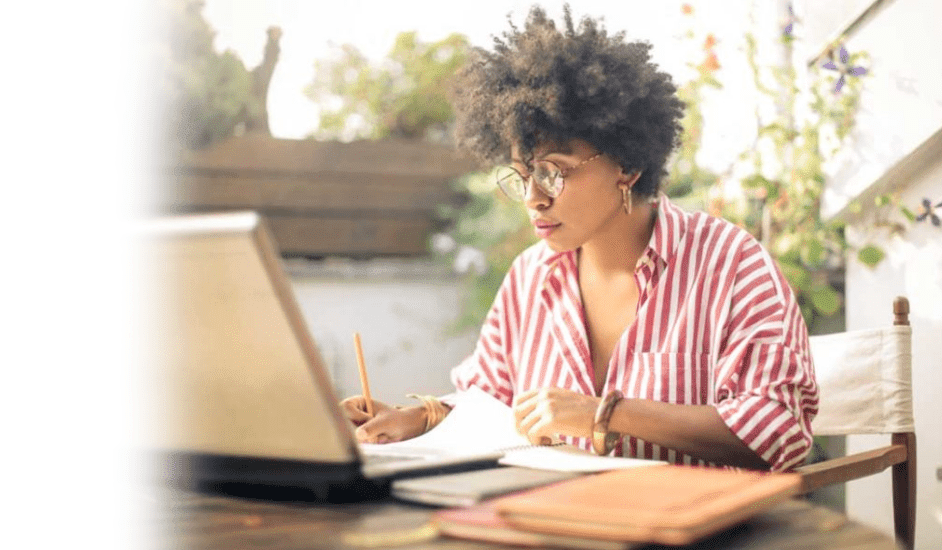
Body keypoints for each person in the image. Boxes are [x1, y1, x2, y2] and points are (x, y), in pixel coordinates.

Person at [340, 5, 818, 472]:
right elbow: (488, 403)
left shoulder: (731, 265)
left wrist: (603, 414)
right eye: (522, 175)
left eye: (553, 172)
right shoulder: (531, 277)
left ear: (628, 166)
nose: (532, 198)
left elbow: (778, 431)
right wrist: (419, 419)